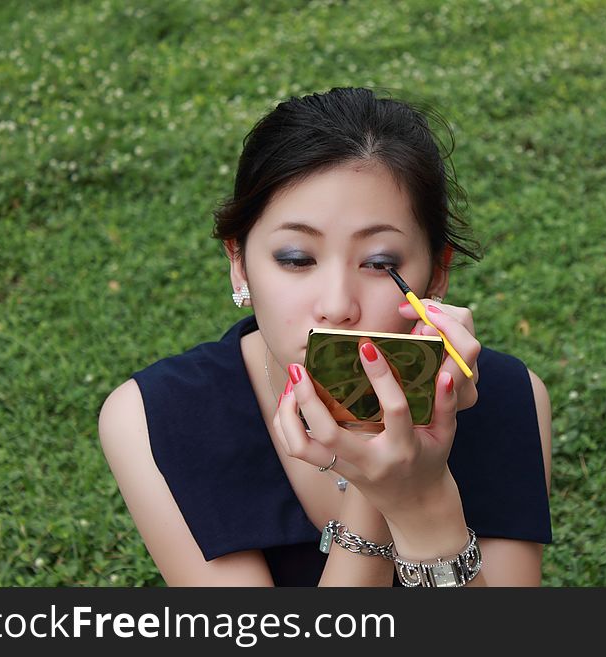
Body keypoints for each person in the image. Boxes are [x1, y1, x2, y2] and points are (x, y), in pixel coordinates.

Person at [98, 87, 552, 587]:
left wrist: (422, 504)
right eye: (296, 258)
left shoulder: (506, 397)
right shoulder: (157, 417)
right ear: (238, 263)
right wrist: (375, 487)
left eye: (380, 263)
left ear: (436, 275)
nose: (337, 305)